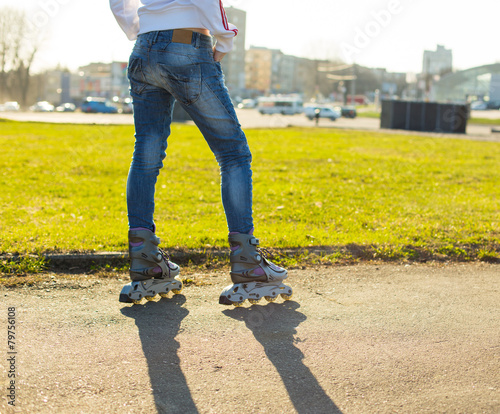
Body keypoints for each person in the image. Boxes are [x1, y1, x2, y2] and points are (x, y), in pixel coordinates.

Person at [110, 0, 292, 306]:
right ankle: (247, 262)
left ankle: (146, 262)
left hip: (143, 50)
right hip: (185, 46)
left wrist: (141, 29)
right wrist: (226, 36)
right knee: (233, 154)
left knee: (145, 155)